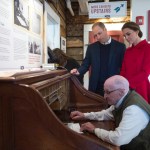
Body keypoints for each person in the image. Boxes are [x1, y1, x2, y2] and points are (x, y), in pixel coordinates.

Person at [70, 75, 150, 150]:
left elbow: (118, 139)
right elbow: (107, 113)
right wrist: (84, 115)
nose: (105, 96)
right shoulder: (123, 98)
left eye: (108, 92)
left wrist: (94, 130)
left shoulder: (133, 109)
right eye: (104, 92)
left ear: (121, 92)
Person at [70, 22, 126, 96]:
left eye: (100, 33)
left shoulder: (120, 47)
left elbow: (124, 67)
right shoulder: (91, 48)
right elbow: (85, 64)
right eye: (95, 35)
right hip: (96, 87)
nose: (98, 37)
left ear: (105, 30)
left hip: (114, 87)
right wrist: (78, 71)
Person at [120, 21, 150, 103]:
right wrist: (121, 84)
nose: (126, 37)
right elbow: (123, 70)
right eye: (124, 35)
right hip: (126, 88)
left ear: (137, 32)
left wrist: (128, 84)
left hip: (140, 87)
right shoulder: (128, 51)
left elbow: (145, 72)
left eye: (128, 34)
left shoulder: (147, 48)